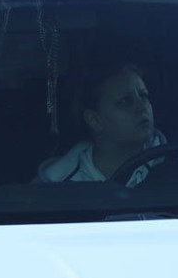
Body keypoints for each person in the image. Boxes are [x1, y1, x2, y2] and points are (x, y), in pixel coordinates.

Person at [36, 63, 166, 186]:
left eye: (144, 96)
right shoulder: (57, 185)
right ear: (94, 120)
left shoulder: (177, 164)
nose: (142, 107)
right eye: (125, 101)